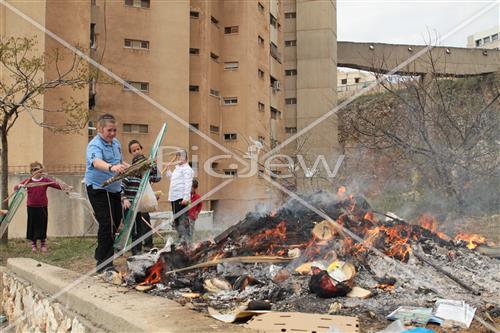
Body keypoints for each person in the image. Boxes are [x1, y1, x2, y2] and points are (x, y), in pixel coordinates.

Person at [85, 113, 128, 273]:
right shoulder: (94, 145)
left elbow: (119, 162)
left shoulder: (115, 143)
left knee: (116, 223)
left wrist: (129, 167)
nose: (112, 134)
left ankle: (102, 256)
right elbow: (96, 162)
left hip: (114, 189)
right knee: (107, 224)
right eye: (109, 130)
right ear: (100, 129)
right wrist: (111, 168)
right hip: (98, 189)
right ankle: (104, 264)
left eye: (115, 130)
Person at [13, 162, 66, 252]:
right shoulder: (28, 181)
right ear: (31, 172)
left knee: (42, 224)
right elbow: (15, 188)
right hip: (31, 206)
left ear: (42, 171)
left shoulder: (45, 180)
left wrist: (66, 187)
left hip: (42, 206)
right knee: (32, 225)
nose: (37, 171)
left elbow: (56, 185)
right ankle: (33, 244)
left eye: (39, 169)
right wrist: (20, 186)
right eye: (35, 170)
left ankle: (43, 243)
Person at [121, 140, 161, 254]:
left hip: (139, 205)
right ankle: (132, 250)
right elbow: (121, 187)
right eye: (134, 150)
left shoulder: (144, 175)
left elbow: (157, 178)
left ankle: (141, 249)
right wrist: (124, 199)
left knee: (139, 228)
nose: (137, 151)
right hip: (129, 205)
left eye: (138, 149)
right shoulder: (130, 173)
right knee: (132, 230)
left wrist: (153, 165)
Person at [165, 149, 194, 244]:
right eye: (178, 156)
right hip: (174, 197)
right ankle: (182, 239)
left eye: (181, 156)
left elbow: (188, 183)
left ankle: (186, 240)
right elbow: (172, 179)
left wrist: (186, 198)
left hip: (181, 198)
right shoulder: (178, 169)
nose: (178, 158)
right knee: (177, 220)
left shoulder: (187, 169)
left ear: (185, 158)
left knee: (182, 219)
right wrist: (168, 169)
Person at [186, 179, 203, 244]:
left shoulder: (198, 197)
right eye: (190, 187)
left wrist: (197, 212)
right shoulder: (186, 196)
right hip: (185, 217)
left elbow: (200, 205)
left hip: (192, 218)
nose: (191, 189)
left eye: (193, 188)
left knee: (191, 232)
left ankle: (190, 244)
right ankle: (183, 244)